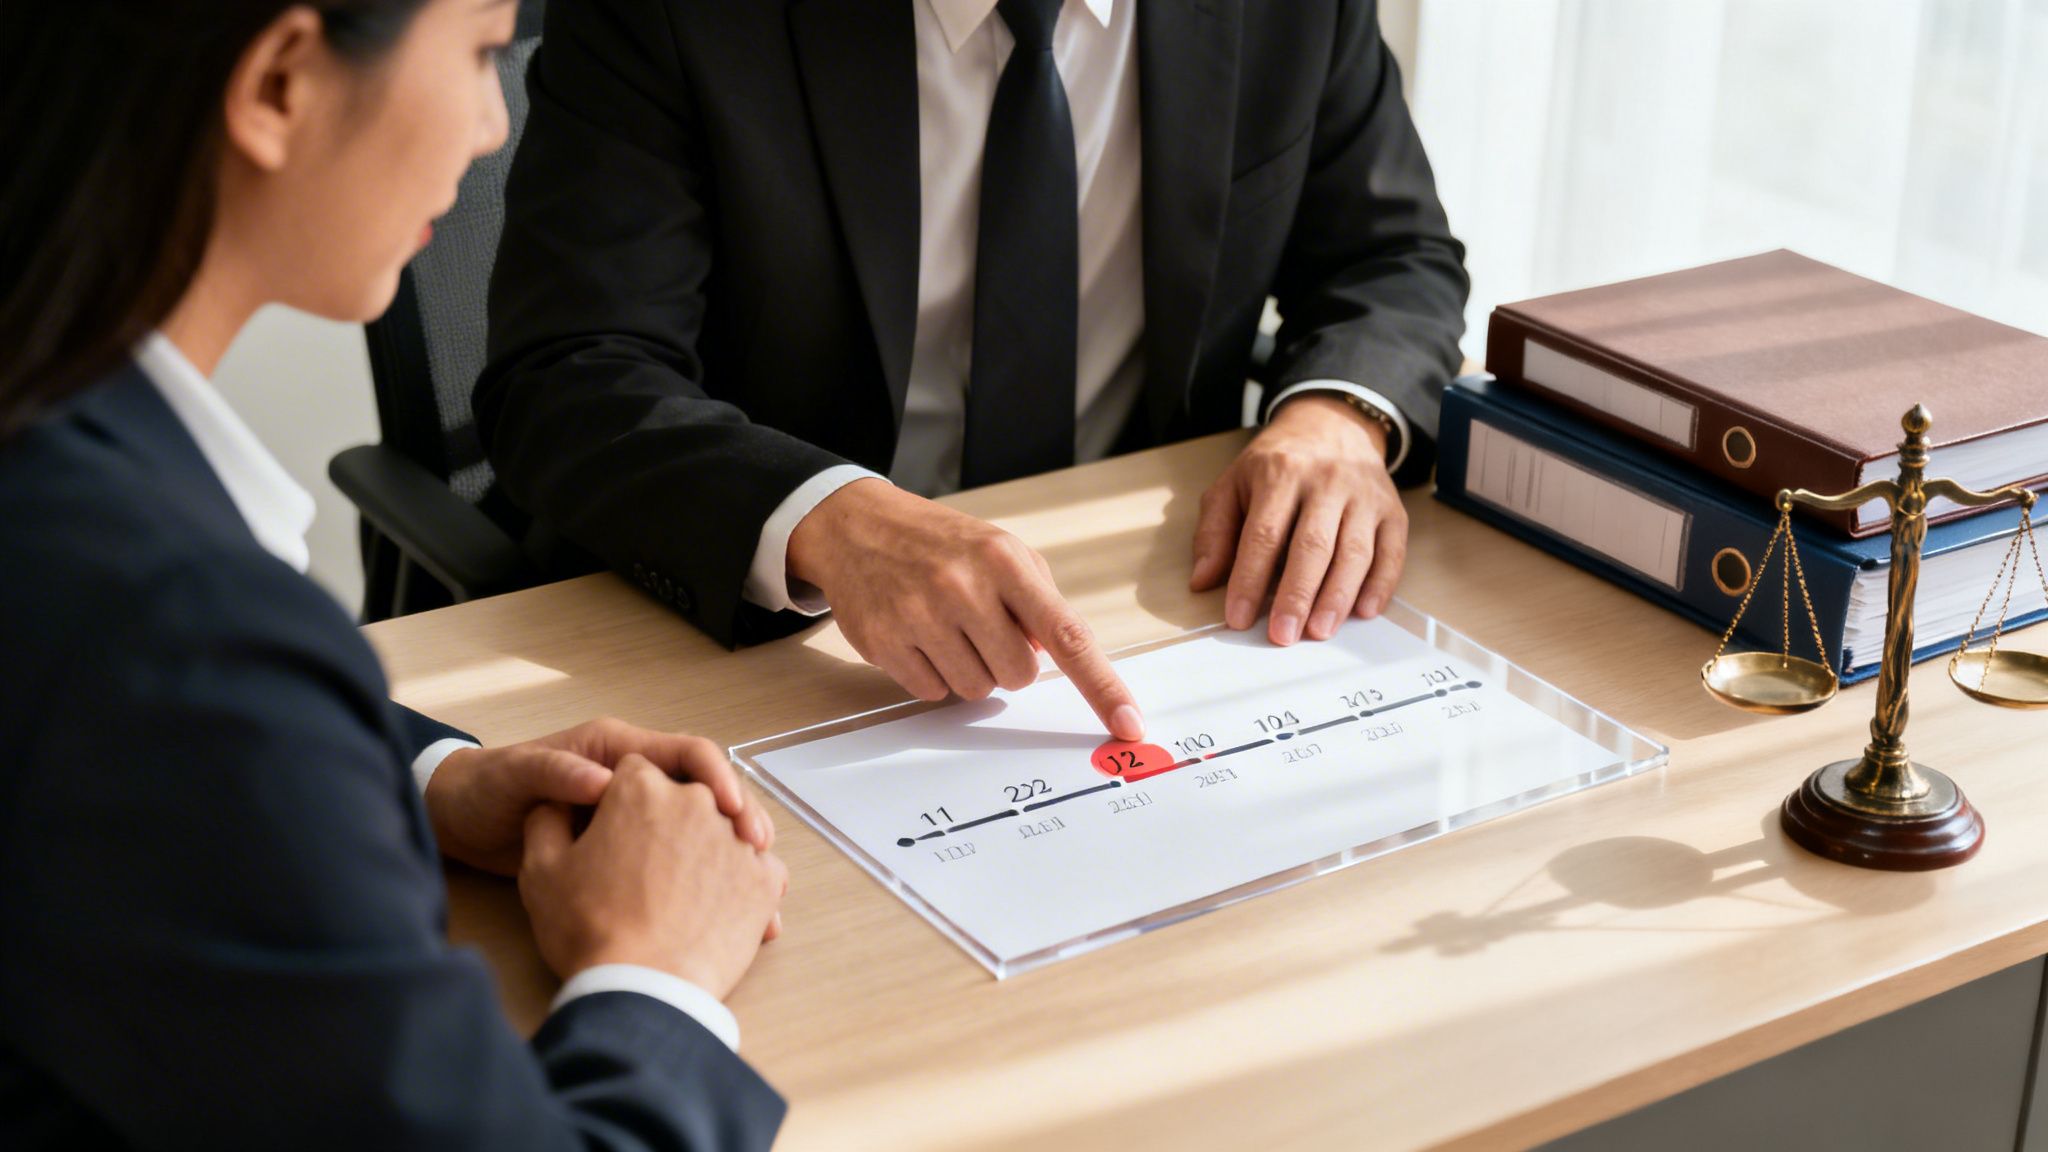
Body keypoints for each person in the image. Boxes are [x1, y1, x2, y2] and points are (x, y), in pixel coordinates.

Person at [0, 2, 789, 1147]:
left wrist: (417, 779)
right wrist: (656, 972)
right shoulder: (171, 635)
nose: (491, 125)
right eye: (479, 51)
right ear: (278, 83)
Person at [477, 0, 1470, 745]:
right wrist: (828, 520)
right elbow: (570, 371)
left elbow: (1390, 255)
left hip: (1157, 598)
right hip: (784, 644)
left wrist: (1338, 415)